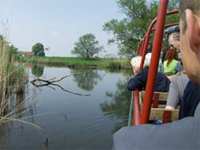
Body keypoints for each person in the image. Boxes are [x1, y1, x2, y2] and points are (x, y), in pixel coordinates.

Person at [112, 1, 200, 149]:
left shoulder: (128, 143)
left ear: (193, 29)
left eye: (174, 46)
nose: (177, 51)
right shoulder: (191, 85)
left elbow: (131, 86)